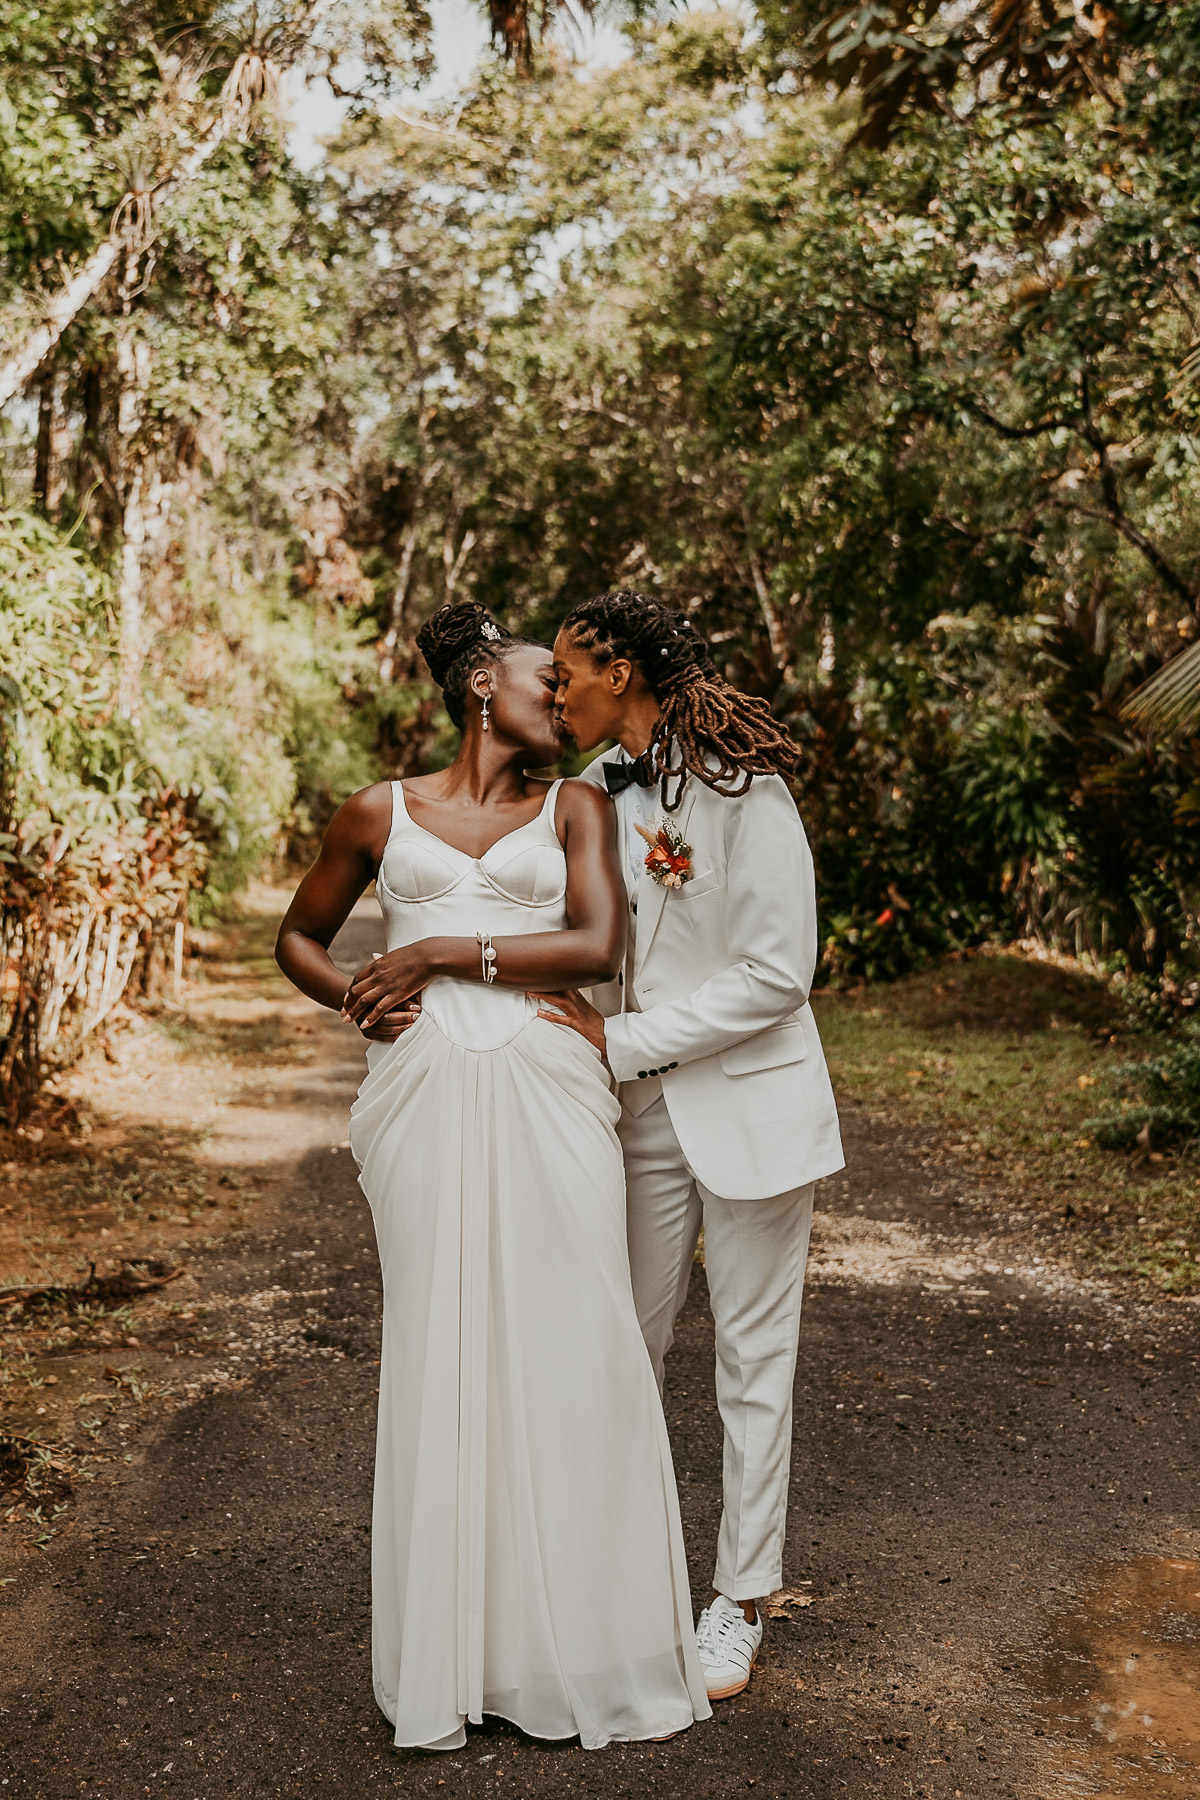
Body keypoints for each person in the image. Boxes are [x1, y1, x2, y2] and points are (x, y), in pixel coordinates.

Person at [274, 601, 710, 1753]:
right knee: (443, 1345)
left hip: (548, 1083)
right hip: (421, 1095)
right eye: (543, 683)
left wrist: (437, 950)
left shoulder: (576, 808)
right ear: (482, 688)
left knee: (577, 1339)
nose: (562, 702)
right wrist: (365, 1002)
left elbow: (599, 945)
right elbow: (300, 938)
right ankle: (456, 1657)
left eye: (570, 689)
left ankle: (579, 1647)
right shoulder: (379, 811)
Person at [538, 589, 844, 1703]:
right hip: (639, 1118)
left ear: (619, 670)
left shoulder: (746, 786)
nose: (554, 686)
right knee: (621, 1346)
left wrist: (624, 1040)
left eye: (569, 667)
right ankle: (615, 1581)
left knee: (753, 1370)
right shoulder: (591, 794)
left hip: (753, 1110)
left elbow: (777, 975)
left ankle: (740, 1601)